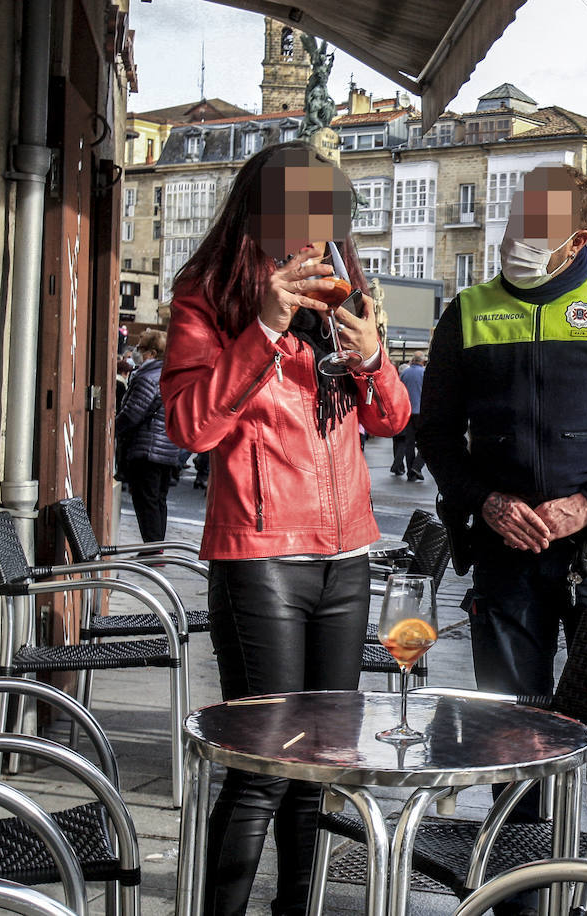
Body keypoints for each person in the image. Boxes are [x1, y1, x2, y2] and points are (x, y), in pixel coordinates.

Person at [417, 163, 587, 916]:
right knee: (513, 745)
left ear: (578, 237)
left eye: (539, 227)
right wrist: (487, 501)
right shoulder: (466, 311)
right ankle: (521, 905)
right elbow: (435, 433)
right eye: (516, 221)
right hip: (506, 562)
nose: (519, 238)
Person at [161, 141, 412, 916]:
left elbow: (394, 417)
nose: (313, 230)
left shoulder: (346, 290)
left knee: (325, 761)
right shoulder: (208, 294)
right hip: (262, 552)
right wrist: (265, 328)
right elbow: (188, 427)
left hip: (347, 555)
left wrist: (373, 358)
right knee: (265, 761)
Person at [116, 330, 183, 542]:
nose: (136, 352)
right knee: (158, 499)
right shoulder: (172, 376)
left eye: (141, 348)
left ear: (152, 353)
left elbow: (133, 412)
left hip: (148, 448)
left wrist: (112, 429)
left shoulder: (147, 377)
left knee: (146, 500)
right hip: (168, 447)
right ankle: (156, 546)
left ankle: (152, 547)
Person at [391, 351, 427, 480]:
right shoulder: (425, 373)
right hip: (422, 413)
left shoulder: (405, 373)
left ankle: (411, 473)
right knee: (427, 442)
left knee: (409, 443)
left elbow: (397, 390)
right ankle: (416, 467)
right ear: (422, 361)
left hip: (407, 413)